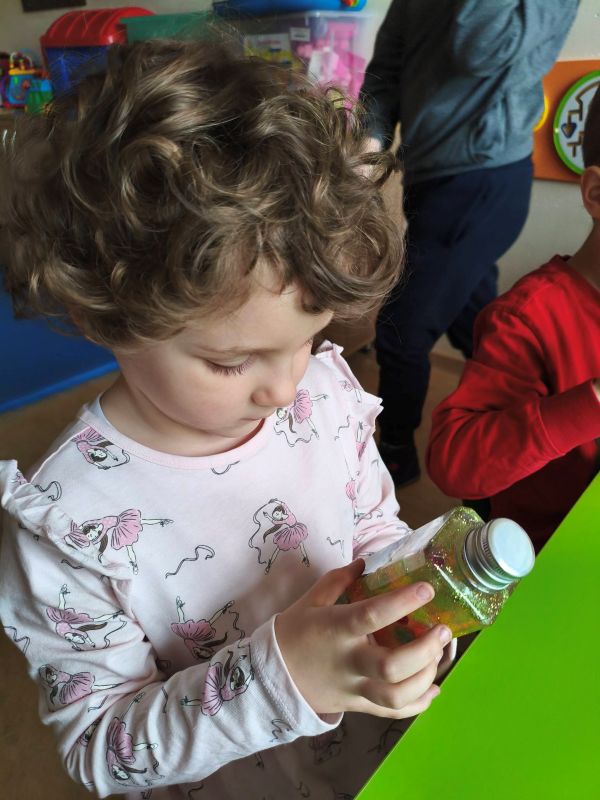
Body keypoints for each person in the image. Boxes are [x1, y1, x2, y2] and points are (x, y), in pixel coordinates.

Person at [0, 41, 453, 800]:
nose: (285, 387)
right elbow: (102, 748)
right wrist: (282, 679)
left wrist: (409, 604)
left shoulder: (324, 396)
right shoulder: (68, 523)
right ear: (105, 313)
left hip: (380, 758)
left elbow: (372, 525)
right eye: (232, 361)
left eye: (309, 340)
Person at [359, 0, 579, 486]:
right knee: (478, 323)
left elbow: (480, 48)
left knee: (401, 328)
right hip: (429, 177)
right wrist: (368, 149)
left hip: (485, 178)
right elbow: (386, 71)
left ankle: (394, 457)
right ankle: (518, 446)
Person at [426, 87, 600, 553]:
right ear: (596, 194)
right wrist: (590, 404)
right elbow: (453, 463)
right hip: (547, 556)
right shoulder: (527, 318)